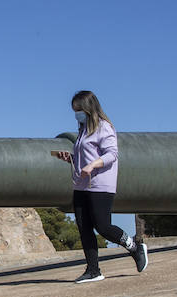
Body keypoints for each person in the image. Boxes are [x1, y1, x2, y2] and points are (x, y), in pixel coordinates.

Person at [52, 90, 148, 283]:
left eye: (79, 109)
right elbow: (84, 157)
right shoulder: (82, 130)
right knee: (83, 226)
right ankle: (93, 270)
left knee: (102, 226)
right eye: (74, 110)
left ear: (89, 108)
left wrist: (93, 165)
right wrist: (70, 158)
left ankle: (135, 248)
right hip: (81, 185)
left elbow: (112, 154)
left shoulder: (104, 127)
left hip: (100, 184)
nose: (76, 114)